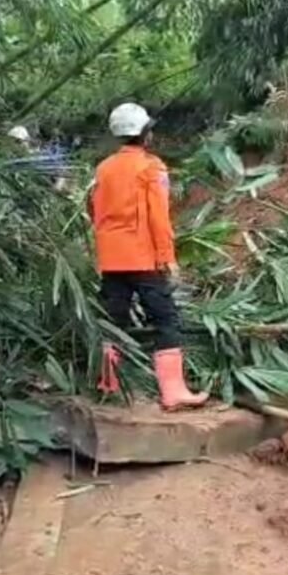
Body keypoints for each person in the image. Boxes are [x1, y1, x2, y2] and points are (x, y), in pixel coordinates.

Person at [88, 102, 208, 411]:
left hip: (111, 259)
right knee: (165, 318)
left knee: (114, 321)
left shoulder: (103, 168)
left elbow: (96, 213)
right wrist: (168, 258)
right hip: (143, 258)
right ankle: (173, 392)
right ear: (145, 134)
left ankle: (108, 384)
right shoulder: (151, 167)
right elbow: (159, 217)